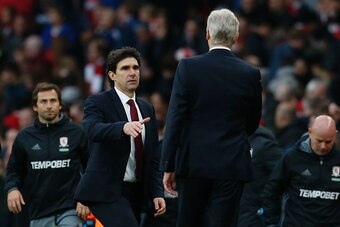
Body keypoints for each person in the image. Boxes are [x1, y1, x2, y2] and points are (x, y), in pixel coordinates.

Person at [160, 8, 262, 227]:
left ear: (207, 34)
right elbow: (253, 121)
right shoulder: (250, 73)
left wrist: (168, 164)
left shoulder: (188, 67)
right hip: (231, 163)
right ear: (236, 36)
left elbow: (175, 118)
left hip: (193, 163)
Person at [74, 47, 166, 227]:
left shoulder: (147, 108)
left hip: (137, 190)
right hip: (107, 189)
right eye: (125, 68)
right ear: (112, 75)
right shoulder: (98, 101)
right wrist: (122, 127)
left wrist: (157, 193)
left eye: (135, 67)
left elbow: (153, 157)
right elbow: (92, 129)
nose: (132, 73)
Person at [5, 82, 90, 227]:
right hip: (39, 213)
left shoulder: (77, 133)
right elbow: (14, 171)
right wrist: (12, 189)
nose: (49, 105)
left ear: (60, 105)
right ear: (35, 107)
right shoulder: (24, 137)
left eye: (53, 101)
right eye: (43, 101)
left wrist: (86, 197)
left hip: (70, 210)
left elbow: (91, 168)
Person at [263, 115, 340, 226]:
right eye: (319, 141)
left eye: (328, 142)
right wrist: (271, 223)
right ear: (310, 132)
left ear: (335, 135)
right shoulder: (292, 157)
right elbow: (272, 190)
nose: (323, 146)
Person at [238, 125, 284, 227]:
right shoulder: (232, 140)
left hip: (254, 211)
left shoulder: (263, 145)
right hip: (235, 208)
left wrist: (268, 198)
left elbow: (285, 171)